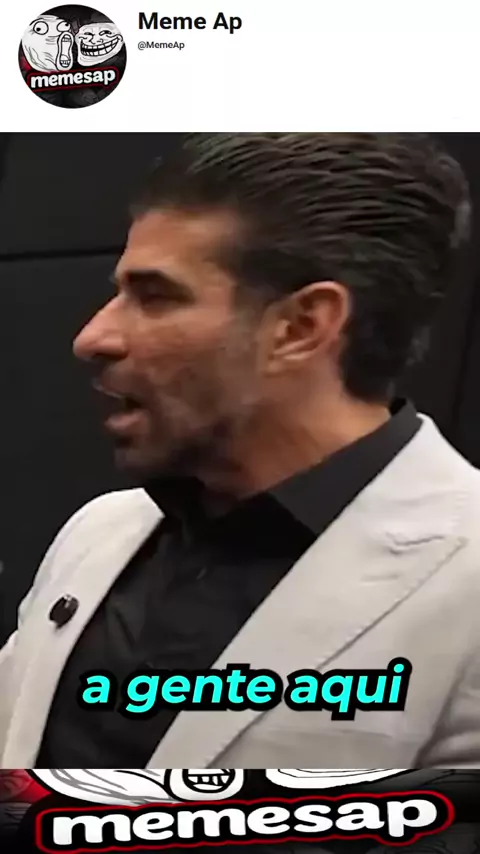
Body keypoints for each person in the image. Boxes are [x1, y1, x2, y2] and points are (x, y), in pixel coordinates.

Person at [1, 132, 479, 769]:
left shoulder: (465, 579)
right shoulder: (99, 534)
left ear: (301, 327)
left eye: (155, 296)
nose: (94, 336)